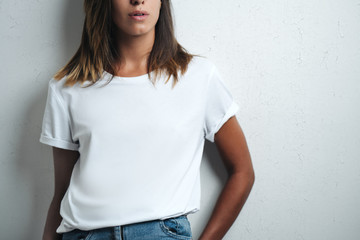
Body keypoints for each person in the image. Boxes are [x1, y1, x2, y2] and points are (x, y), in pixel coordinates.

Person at [39, 0, 255, 239]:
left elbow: (242, 171)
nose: (138, 0)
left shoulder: (198, 77)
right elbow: (61, 192)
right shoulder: (66, 88)